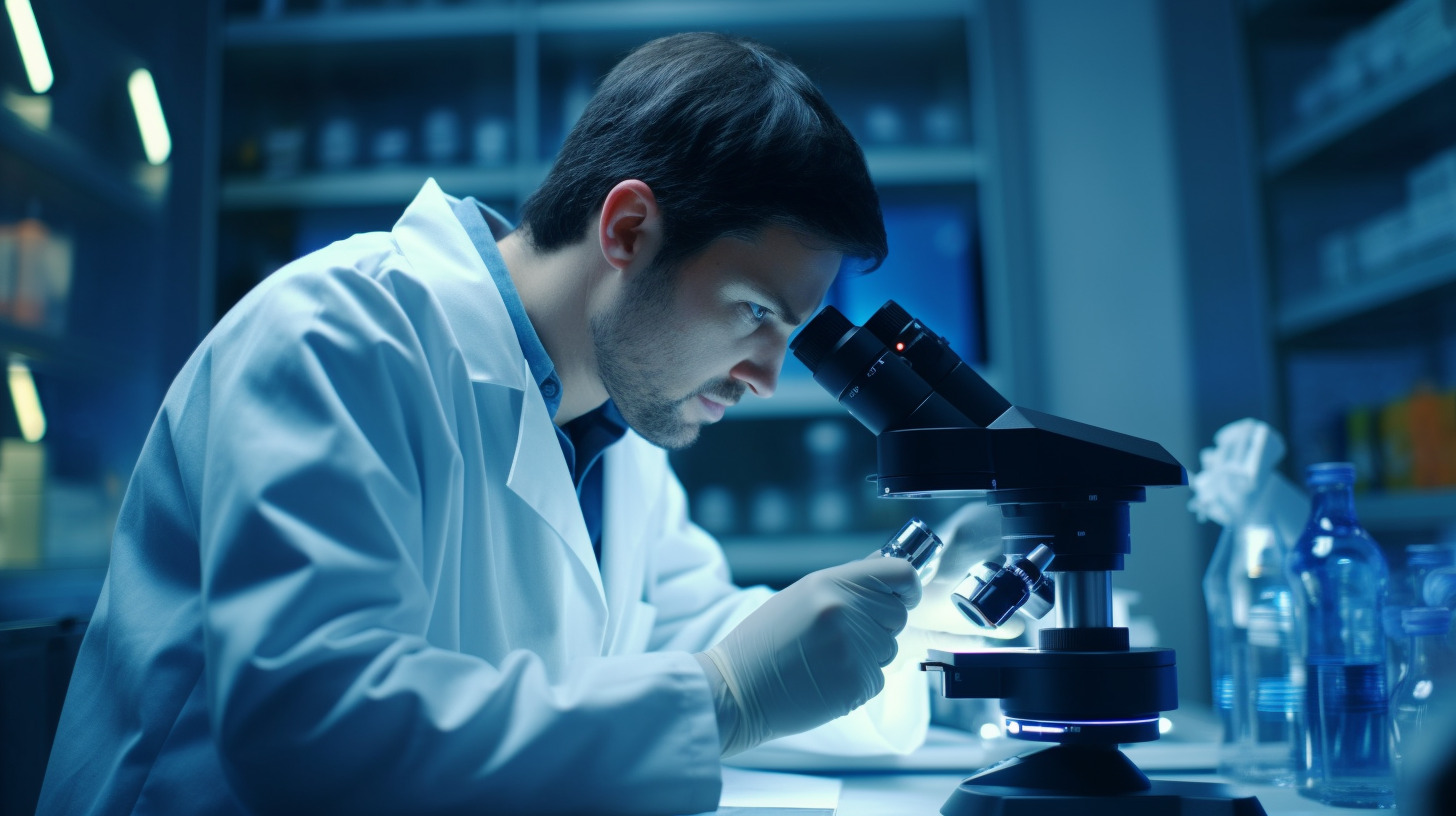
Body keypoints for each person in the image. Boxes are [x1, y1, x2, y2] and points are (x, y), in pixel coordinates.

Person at [38, 32, 934, 815]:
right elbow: (312, 731)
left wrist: (923, 646)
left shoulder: (615, 439)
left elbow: (706, 634)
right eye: (753, 312)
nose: (767, 379)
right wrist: (722, 698)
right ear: (628, 230)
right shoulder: (335, 336)